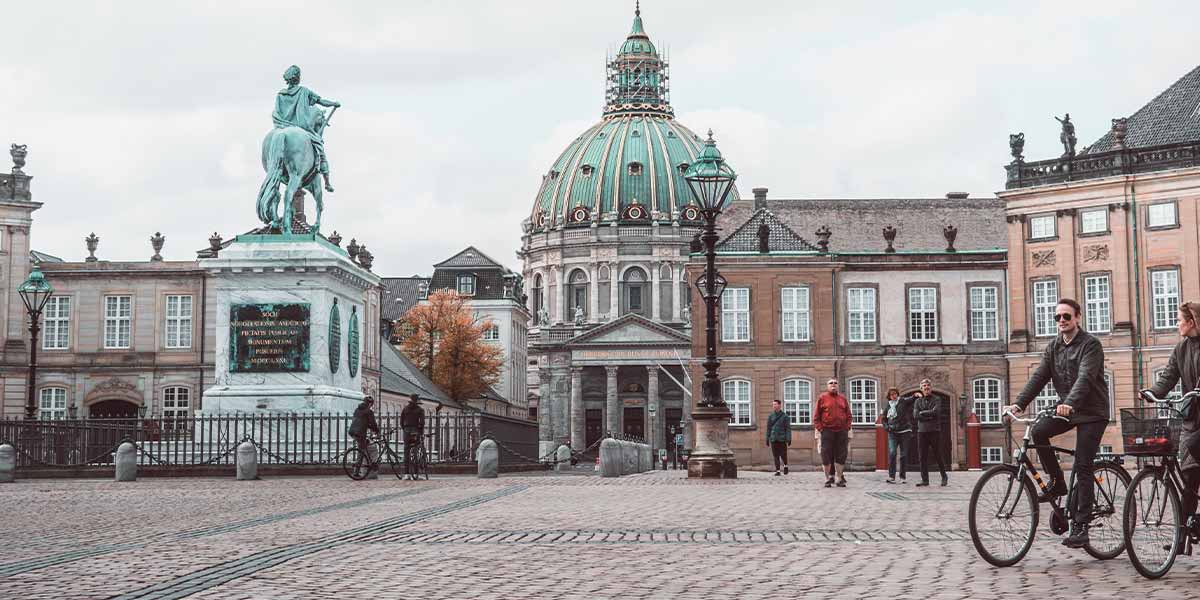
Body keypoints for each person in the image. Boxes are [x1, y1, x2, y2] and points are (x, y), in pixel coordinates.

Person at [1006, 298, 1108, 549]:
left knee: (1082, 466)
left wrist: (1070, 402)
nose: (1062, 321)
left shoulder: (1090, 345)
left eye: (1066, 316)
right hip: (1070, 409)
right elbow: (1039, 377)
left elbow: (1085, 378)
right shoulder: (1053, 347)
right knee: (1039, 431)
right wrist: (1018, 404)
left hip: (1093, 411)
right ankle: (1057, 482)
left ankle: (1081, 527)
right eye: (1058, 317)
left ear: (1077, 318)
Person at [1144, 301, 1200, 540]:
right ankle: (1182, 537)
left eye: (1180, 319)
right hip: (1192, 419)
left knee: (1195, 455)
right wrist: (1153, 392)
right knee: (1189, 477)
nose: (1177, 323)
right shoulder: (1181, 349)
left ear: (1192, 322)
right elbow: (1168, 377)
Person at [272, 65, 340, 192]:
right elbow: (321, 101)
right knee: (319, 147)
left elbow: (277, 112)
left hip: (281, 126)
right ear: (297, 78)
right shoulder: (304, 91)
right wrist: (333, 104)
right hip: (302, 128)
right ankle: (326, 181)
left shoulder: (280, 95)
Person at [815, 378, 853, 488]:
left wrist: (847, 427)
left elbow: (849, 415)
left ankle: (839, 478)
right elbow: (816, 417)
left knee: (841, 455)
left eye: (835, 383)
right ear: (827, 386)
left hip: (841, 431)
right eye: (831, 383)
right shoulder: (822, 398)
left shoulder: (842, 399)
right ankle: (827, 478)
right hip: (827, 431)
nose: (833, 385)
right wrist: (821, 429)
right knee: (826, 455)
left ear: (838, 386)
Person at [914, 379, 948, 487]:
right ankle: (925, 480)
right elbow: (915, 416)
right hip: (922, 432)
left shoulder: (937, 399)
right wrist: (929, 414)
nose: (926, 387)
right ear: (921, 388)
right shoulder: (917, 401)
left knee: (938, 455)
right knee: (922, 457)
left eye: (928, 385)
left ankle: (944, 476)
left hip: (934, 431)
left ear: (931, 388)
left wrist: (922, 413)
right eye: (924, 386)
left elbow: (936, 412)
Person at [880, 387, 915, 484]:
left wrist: (916, 395)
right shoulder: (888, 406)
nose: (893, 396)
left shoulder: (902, 401)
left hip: (904, 432)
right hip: (893, 433)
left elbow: (911, 399)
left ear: (897, 394)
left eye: (895, 394)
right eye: (891, 395)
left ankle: (902, 477)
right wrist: (887, 427)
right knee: (892, 453)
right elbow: (883, 419)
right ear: (889, 396)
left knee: (903, 455)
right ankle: (892, 476)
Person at [348, 395, 380, 478]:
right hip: (360, 433)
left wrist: (368, 426)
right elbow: (373, 424)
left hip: (352, 431)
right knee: (361, 451)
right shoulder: (369, 412)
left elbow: (362, 421)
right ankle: (356, 471)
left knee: (364, 447)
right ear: (370, 404)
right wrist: (377, 432)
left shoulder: (357, 410)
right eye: (372, 404)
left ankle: (366, 468)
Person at [400, 393, 426, 476]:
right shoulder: (420, 410)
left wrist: (405, 429)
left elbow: (401, 422)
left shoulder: (405, 409)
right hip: (415, 430)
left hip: (407, 430)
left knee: (406, 451)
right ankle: (415, 472)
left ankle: (406, 473)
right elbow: (422, 423)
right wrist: (421, 432)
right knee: (416, 449)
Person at [766, 399, 792, 476]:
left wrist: (789, 438)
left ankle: (785, 465)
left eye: (775, 404)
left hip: (782, 438)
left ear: (779, 405)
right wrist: (767, 438)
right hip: (773, 438)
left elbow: (788, 428)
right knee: (775, 455)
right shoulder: (771, 416)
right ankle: (778, 470)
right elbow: (769, 428)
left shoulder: (785, 416)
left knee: (783, 454)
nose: (774, 406)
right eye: (773, 404)